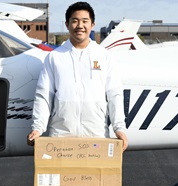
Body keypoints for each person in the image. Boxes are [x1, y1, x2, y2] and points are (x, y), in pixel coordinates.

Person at [27, 1, 128, 151]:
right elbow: (44, 96)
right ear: (67, 24)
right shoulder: (54, 57)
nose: (80, 25)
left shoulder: (105, 56)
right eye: (75, 21)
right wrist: (38, 128)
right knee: (60, 175)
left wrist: (119, 128)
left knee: (96, 174)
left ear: (92, 25)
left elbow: (114, 94)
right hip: (61, 135)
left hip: (96, 134)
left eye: (85, 21)